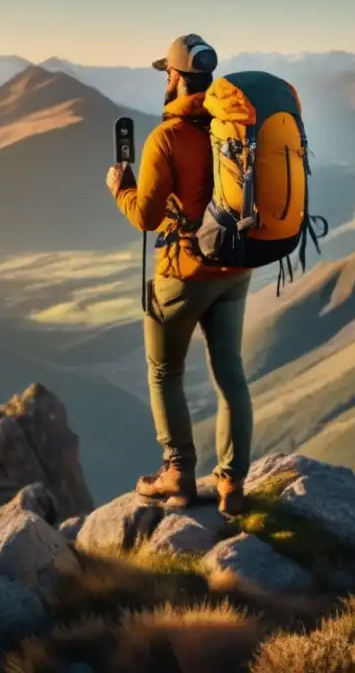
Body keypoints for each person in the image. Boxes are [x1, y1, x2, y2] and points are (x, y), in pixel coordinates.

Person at [105, 34, 253, 516]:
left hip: (185, 271)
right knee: (230, 373)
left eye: (165, 74)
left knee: (165, 371)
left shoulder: (166, 137)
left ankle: (178, 473)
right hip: (236, 265)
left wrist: (120, 189)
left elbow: (146, 218)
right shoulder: (233, 126)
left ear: (174, 77)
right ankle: (232, 483)